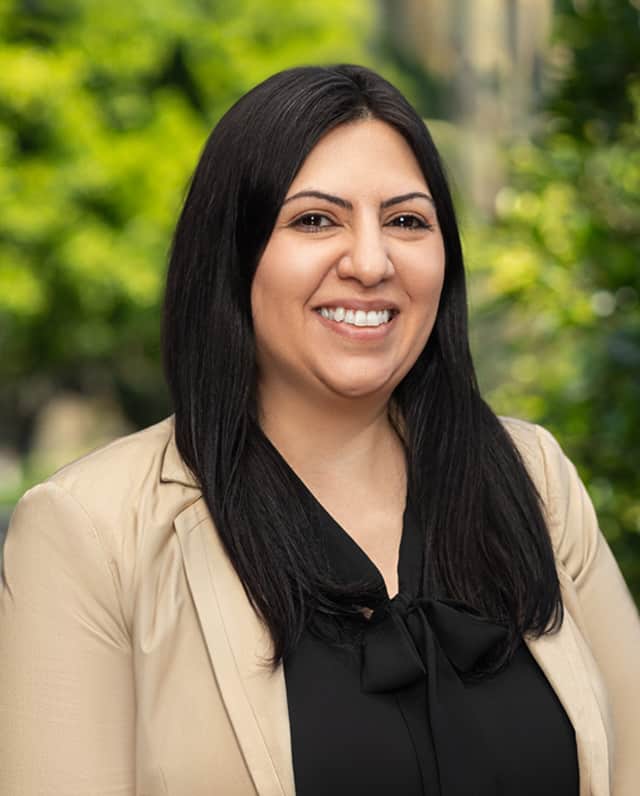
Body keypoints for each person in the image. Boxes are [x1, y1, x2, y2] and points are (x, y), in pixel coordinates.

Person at [1, 64, 638, 796]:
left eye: (407, 221)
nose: (370, 262)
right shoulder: (91, 532)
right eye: (314, 220)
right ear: (232, 256)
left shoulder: (534, 477)